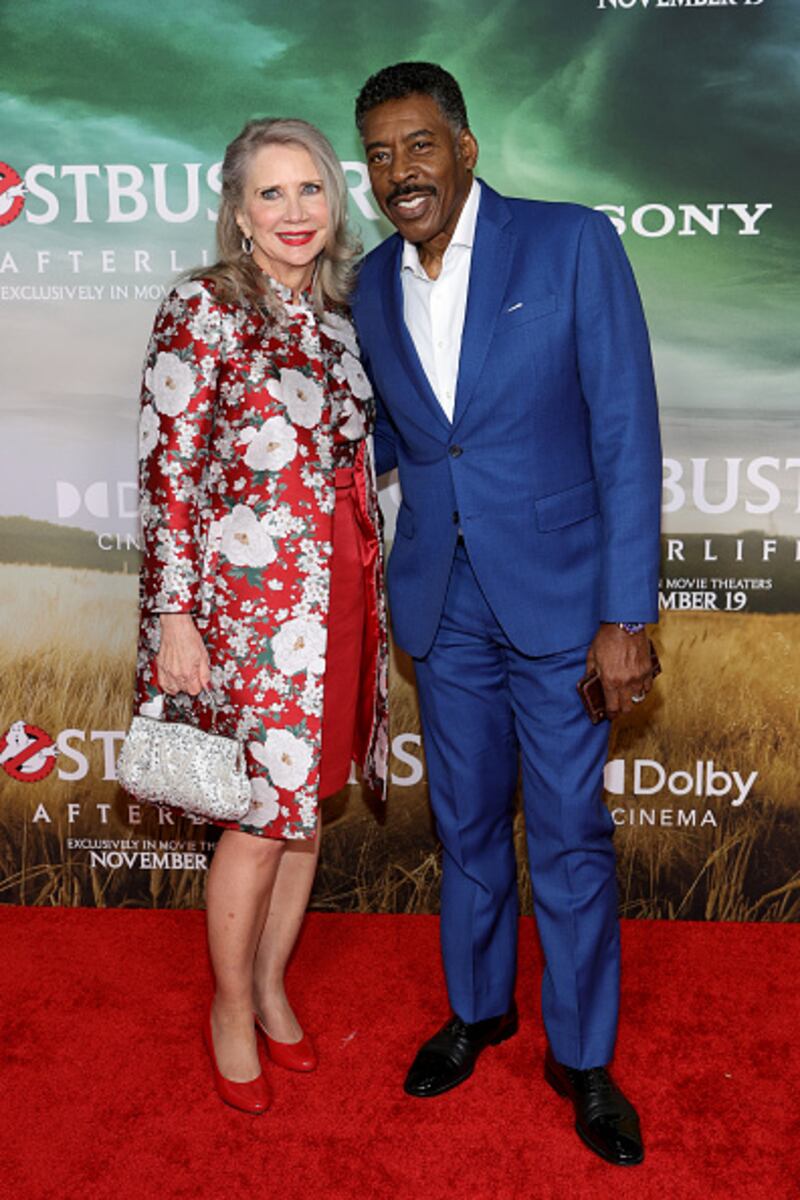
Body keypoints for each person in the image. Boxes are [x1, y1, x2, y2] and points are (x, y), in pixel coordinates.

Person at [352, 63, 661, 1166]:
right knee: (466, 823)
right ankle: (479, 1010)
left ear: (465, 147)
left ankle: (582, 1058)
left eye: (418, 145)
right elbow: (399, 436)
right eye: (378, 155)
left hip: (563, 599)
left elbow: (624, 427)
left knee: (570, 833)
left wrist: (625, 613)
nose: (400, 171)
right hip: (441, 603)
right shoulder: (370, 283)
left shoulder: (569, 243)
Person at [134, 117, 388, 1115]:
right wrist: (175, 617)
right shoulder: (201, 307)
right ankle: (231, 1007)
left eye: (310, 189)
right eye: (270, 193)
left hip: (343, 596)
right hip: (248, 615)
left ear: (334, 202)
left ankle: (274, 985)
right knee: (256, 818)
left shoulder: (341, 321)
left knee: (306, 813)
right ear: (239, 212)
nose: (293, 211)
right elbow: (167, 476)